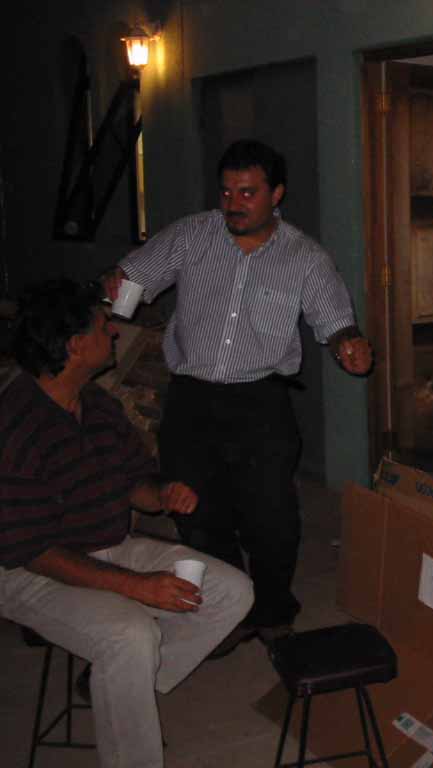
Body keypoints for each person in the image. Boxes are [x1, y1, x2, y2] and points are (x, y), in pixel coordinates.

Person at [103, 139, 372, 651]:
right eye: (227, 192)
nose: (234, 203)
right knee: (195, 511)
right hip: (191, 397)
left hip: (260, 401)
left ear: (276, 194)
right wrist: (116, 281)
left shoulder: (304, 256)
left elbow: (335, 322)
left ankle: (272, 609)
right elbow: (131, 277)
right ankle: (229, 610)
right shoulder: (191, 235)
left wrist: (349, 346)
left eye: (248, 193)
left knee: (271, 514)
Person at [0, 279, 254, 768]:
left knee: (233, 592)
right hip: (28, 572)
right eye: (103, 326)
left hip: (110, 543)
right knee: (131, 634)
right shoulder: (16, 425)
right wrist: (136, 586)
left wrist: (161, 494)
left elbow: (133, 481)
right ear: (76, 346)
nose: (114, 332)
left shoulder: (97, 405)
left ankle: (121, 685)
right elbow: (33, 551)